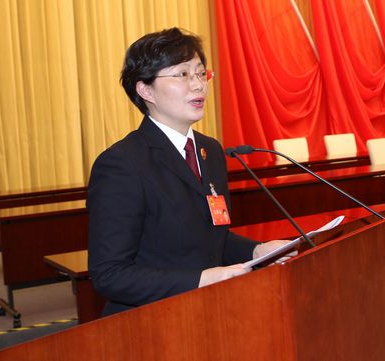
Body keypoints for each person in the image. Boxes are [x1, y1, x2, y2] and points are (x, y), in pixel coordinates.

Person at [88, 28, 291, 316]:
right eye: (182, 74)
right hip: (149, 321)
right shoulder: (122, 164)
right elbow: (110, 274)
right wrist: (201, 280)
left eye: (200, 73)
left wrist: (257, 251)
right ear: (146, 90)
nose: (198, 85)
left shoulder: (210, 151)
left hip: (209, 312)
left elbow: (207, 237)